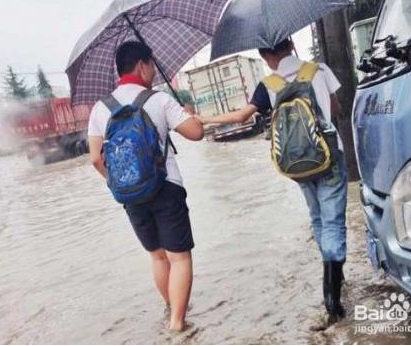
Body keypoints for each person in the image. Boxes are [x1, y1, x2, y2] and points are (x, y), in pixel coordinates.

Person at [196, 38, 348, 325]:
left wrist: (202, 119)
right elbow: (337, 108)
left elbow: (242, 116)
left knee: (318, 219)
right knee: (333, 222)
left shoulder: (268, 84)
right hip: (328, 156)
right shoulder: (319, 69)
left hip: (296, 163)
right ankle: (333, 299)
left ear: (265, 55)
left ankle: (333, 275)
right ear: (291, 44)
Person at [87, 41, 204, 331]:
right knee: (179, 258)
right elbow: (196, 133)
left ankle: (170, 309)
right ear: (141, 65)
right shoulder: (159, 99)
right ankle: (178, 324)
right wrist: (188, 112)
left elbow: (95, 159)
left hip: (130, 195)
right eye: (151, 64)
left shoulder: (101, 109)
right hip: (166, 187)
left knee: (157, 255)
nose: (153, 70)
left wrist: (120, 186)